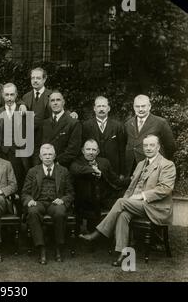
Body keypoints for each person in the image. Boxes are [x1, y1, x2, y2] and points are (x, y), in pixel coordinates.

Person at [80, 135, 176, 267]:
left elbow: (165, 189)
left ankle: (96, 234)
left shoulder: (167, 165)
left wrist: (141, 195)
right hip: (138, 205)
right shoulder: (141, 164)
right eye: (145, 145)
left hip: (156, 207)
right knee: (122, 214)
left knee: (120, 202)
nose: (148, 148)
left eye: (152, 145)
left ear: (158, 147)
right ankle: (124, 254)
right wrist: (128, 198)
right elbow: (131, 187)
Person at [21, 144, 74, 264]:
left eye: (50, 154)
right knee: (32, 211)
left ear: (55, 156)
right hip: (38, 201)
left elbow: (70, 193)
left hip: (55, 202)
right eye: (45, 154)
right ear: (40, 157)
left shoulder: (63, 171)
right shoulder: (33, 171)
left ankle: (58, 247)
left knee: (60, 212)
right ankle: (41, 248)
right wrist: (29, 200)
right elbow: (25, 192)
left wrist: (63, 200)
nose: (48, 157)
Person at [70, 139, 129, 233]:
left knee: (125, 202)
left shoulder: (104, 162)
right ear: (83, 150)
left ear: (98, 152)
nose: (91, 152)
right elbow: (76, 170)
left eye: (94, 150)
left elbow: (116, 180)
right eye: (88, 149)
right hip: (84, 202)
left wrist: (132, 179)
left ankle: (113, 235)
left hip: (103, 199)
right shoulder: (77, 162)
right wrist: (93, 170)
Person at [124, 94, 176, 177]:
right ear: (133, 107)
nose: (140, 109)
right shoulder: (128, 124)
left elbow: (170, 146)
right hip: (132, 168)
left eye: (143, 106)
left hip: (153, 167)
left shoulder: (160, 122)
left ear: (149, 106)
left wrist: (161, 163)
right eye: (137, 106)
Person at [82, 96, 126, 176]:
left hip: (113, 170)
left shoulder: (118, 126)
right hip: (92, 169)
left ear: (108, 108)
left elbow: (122, 151)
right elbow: (82, 150)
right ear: (94, 108)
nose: (101, 109)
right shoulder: (86, 126)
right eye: (99, 106)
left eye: (104, 106)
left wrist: (122, 173)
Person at [0, 83, 29, 190]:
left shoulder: (24, 111)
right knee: (4, 183)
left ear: (16, 95)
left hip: (19, 155)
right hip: (2, 154)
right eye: (6, 95)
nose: (9, 98)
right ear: (2, 95)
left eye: (11, 94)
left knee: (19, 183)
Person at [41, 91, 82, 168]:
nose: (55, 103)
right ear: (49, 104)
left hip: (64, 166)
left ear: (63, 102)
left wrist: (56, 162)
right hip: (45, 165)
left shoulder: (73, 123)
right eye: (52, 101)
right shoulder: (45, 123)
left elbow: (73, 150)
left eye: (58, 100)